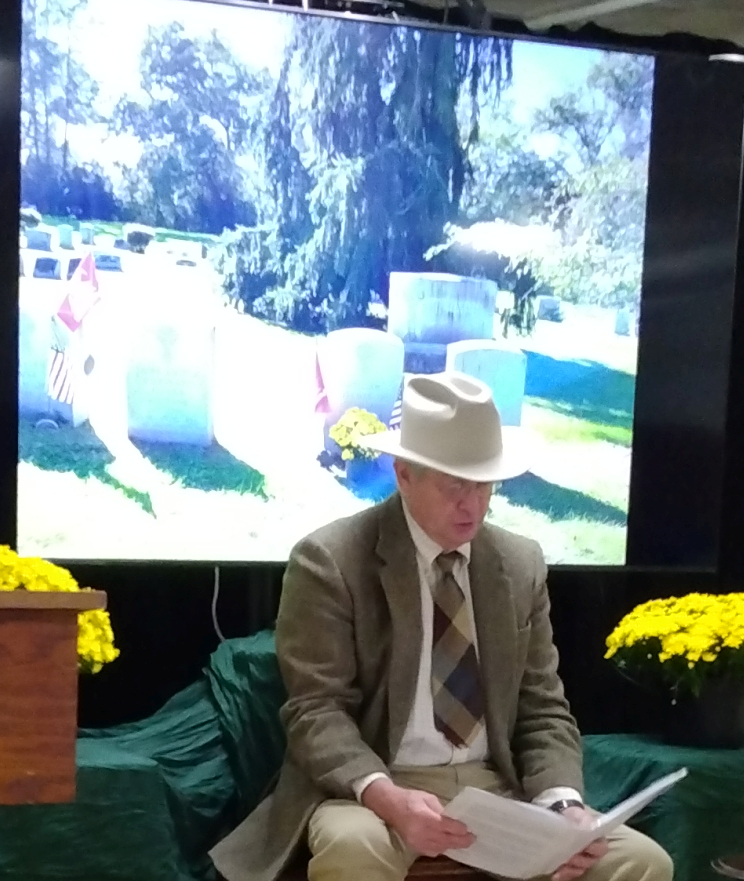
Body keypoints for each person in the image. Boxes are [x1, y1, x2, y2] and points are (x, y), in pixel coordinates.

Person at [210, 372, 673, 881]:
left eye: (484, 484)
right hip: (373, 780)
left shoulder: (519, 563)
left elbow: (543, 709)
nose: (472, 503)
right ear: (404, 473)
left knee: (643, 861)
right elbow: (316, 711)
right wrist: (389, 798)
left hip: (496, 785)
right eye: (455, 484)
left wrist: (564, 807)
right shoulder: (331, 560)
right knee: (355, 847)